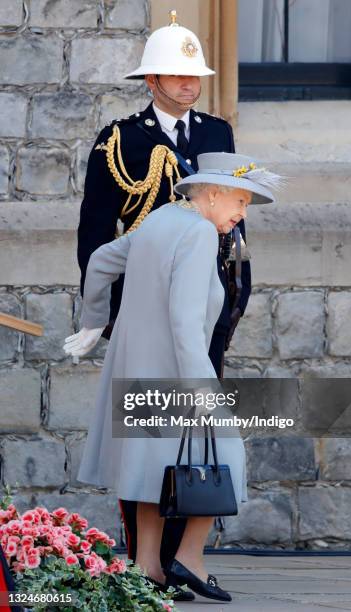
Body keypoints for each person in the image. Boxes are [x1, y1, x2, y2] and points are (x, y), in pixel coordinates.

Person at [76, 10, 252, 590]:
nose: (188, 85)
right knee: (154, 438)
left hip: (208, 302)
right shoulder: (119, 139)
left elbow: (233, 224)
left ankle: (169, 563)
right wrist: (100, 319)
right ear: (150, 81)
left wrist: (234, 295)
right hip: (146, 306)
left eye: (193, 76)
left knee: (183, 436)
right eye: (175, 76)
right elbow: (97, 234)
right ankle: (158, 562)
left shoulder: (216, 134)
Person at [64, 152, 282, 602]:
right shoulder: (200, 231)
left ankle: (149, 568)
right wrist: (202, 389)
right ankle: (189, 559)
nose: (242, 215)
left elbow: (103, 259)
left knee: (151, 466)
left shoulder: (162, 218)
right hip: (177, 370)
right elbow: (185, 322)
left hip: (137, 365)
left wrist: (93, 321)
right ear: (214, 193)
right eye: (240, 201)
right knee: (229, 457)